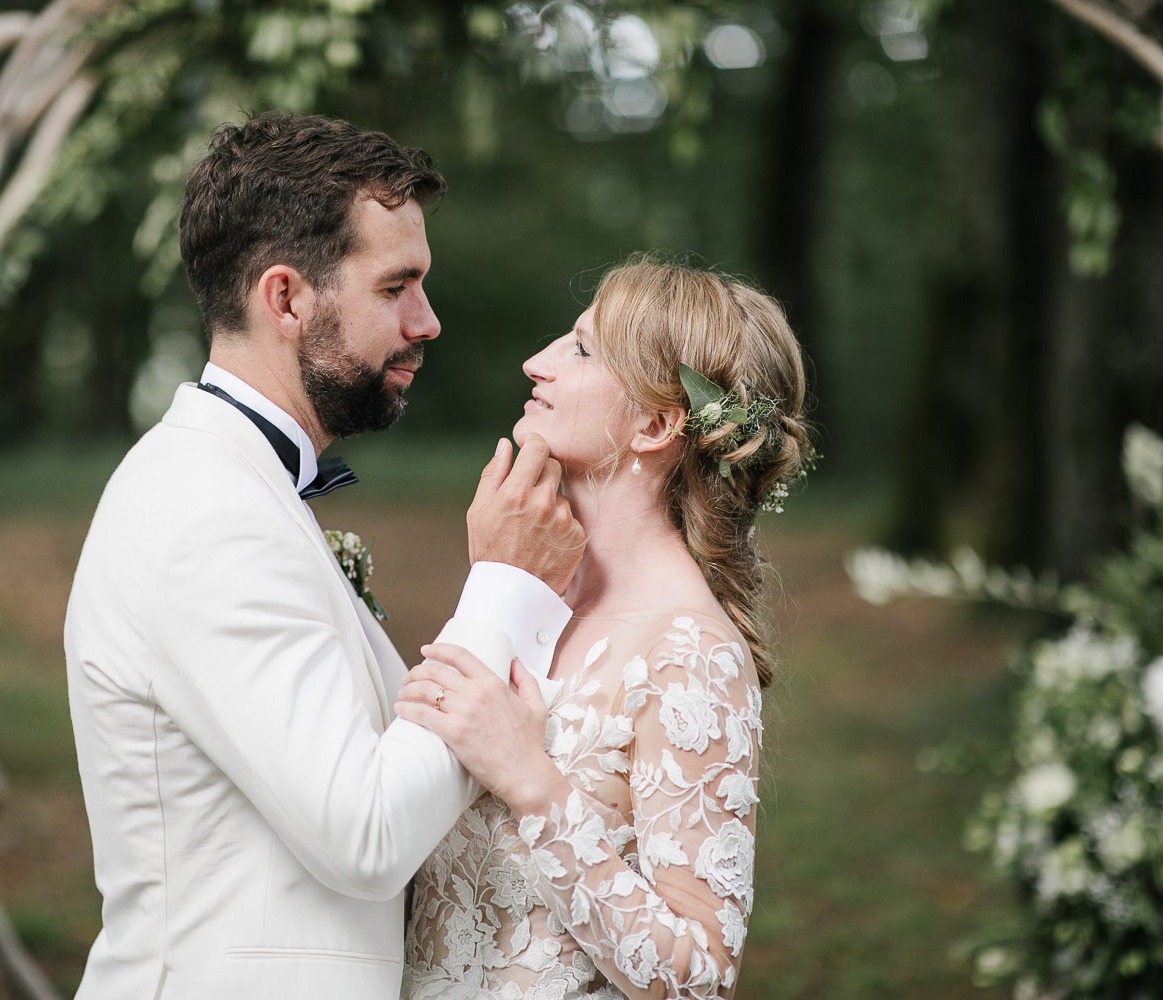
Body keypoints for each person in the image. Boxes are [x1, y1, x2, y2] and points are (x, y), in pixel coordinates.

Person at [64, 111, 585, 1000]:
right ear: (286, 297)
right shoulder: (206, 513)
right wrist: (501, 589)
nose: (428, 322)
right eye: (396, 288)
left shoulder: (235, 487)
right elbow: (367, 836)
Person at [397, 256, 813, 999]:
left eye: (582, 349)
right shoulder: (530, 599)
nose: (537, 362)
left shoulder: (689, 651)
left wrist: (534, 785)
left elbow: (699, 977)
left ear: (656, 424)